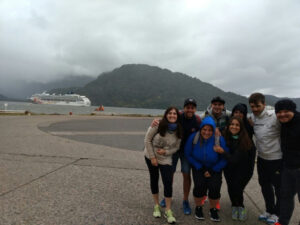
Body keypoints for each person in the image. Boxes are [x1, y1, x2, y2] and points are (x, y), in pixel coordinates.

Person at [153, 98, 201, 215]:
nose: (189, 109)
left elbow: (205, 131)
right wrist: (156, 121)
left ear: (195, 109)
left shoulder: (198, 120)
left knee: (186, 174)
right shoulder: (178, 115)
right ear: (184, 108)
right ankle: (168, 196)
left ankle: (185, 200)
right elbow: (168, 117)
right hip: (173, 150)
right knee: (169, 174)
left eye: (192, 107)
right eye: (187, 107)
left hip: (187, 152)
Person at [184, 116, 229, 222]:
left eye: (210, 130)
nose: (207, 132)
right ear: (201, 129)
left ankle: (213, 209)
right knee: (199, 186)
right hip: (199, 167)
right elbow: (188, 153)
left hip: (215, 168)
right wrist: (200, 167)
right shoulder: (194, 137)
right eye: (204, 129)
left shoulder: (219, 139)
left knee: (215, 188)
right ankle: (198, 207)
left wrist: (214, 170)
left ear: (213, 130)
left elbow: (224, 158)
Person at [144, 106, 183, 224]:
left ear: (177, 116)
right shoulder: (158, 124)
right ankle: (156, 206)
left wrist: (166, 152)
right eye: (170, 113)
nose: (172, 115)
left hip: (166, 158)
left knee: (167, 181)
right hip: (151, 156)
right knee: (154, 179)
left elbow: (177, 147)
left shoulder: (179, 130)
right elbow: (147, 140)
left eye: (175, 114)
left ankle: (168, 210)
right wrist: (152, 157)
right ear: (166, 115)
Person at [249, 93, 282, 224]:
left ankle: (278, 214)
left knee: (279, 188)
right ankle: (269, 210)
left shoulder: (275, 116)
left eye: (258, 106)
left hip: (277, 158)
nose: (255, 109)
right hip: (262, 158)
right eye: (252, 106)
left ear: (264, 104)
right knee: (265, 186)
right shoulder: (252, 117)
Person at [214, 116, 255, 221]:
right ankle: (234, 206)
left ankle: (240, 206)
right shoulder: (227, 137)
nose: (234, 127)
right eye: (232, 124)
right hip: (229, 169)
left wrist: (222, 151)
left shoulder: (245, 140)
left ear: (241, 127)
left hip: (244, 170)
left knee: (238, 188)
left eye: (237, 125)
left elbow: (234, 159)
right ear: (228, 126)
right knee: (231, 188)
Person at [274, 99, 300, 225]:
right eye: (279, 112)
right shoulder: (284, 124)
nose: (282, 114)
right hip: (287, 167)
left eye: (286, 111)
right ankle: (283, 222)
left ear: (293, 110)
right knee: (285, 196)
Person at [201, 96, 230, 209]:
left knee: (217, 178)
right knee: (205, 175)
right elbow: (199, 126)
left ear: (223, 106)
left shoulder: (228, 115)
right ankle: (203, 195)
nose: (217, 107)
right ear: (211, 105)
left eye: (220, 105)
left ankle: (215, 198)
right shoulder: (205, 115)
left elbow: (237, 122)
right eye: (215, 104)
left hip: (221, 147)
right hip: (208, 147)